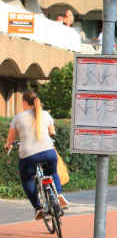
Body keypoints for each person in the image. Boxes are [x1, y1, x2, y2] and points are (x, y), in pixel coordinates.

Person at [4, 91, 69, 219]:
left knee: (27, 179)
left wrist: (8, 145)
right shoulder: (45, 114)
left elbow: (11, 138)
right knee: (52, 172)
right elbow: (52, 131)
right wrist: (50, 134)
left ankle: (37, 208)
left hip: (28, 155)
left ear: (24, 102)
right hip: (48, 152)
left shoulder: (18, 118)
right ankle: (59, 194)